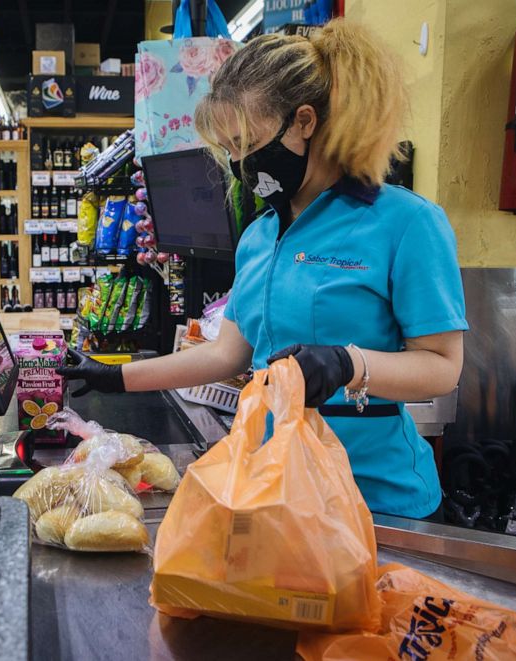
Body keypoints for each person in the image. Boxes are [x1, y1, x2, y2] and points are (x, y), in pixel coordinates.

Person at [60, 20, 467, 521]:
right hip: (278, 495)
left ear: (304, 121)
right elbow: (227, 354)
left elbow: (443, 368)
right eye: (229, 150)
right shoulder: (259, 236)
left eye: (245, 142)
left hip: (377, 502)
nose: (240, 165)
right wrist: (114, 377)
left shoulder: (406, 224)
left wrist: (350, 364)